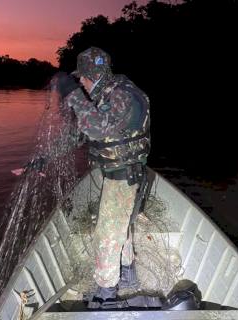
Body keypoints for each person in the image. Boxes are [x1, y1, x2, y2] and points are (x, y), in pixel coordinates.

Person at [15, 47, 151, 308]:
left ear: (93, 75)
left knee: (107, 235)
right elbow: (79, 134)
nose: (82, 84)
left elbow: (96, 129)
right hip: (119, 175)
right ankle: (129, 274)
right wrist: (43, 158)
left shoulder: (124, 94)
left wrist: (72, 93)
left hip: (125, 178)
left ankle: (106, 296)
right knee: (120, 227)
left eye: (83, 80)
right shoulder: (105, 96)